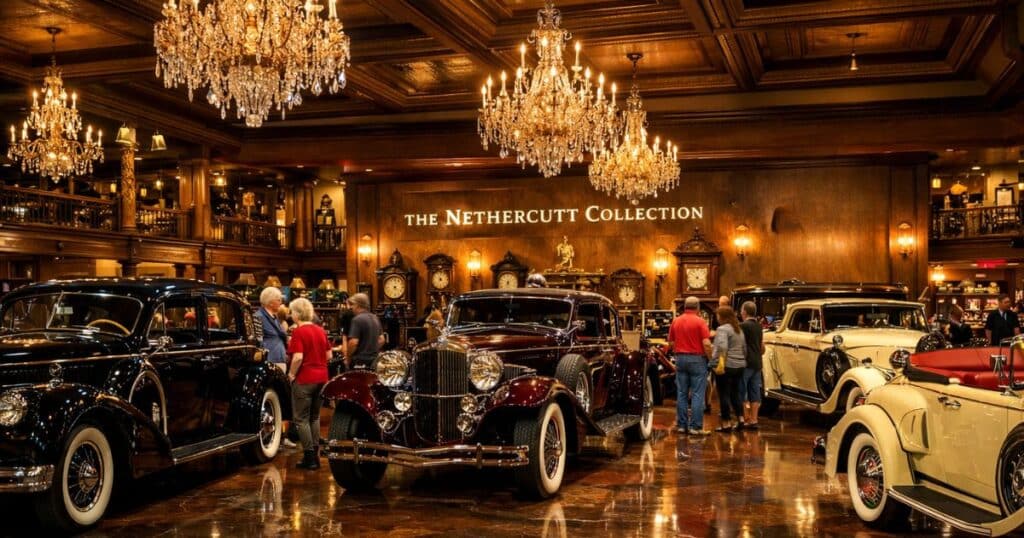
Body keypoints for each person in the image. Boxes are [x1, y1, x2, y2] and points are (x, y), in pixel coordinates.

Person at [286, 298, 330, 470]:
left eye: (292, 312)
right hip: (322, 378)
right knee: (315, 417)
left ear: (297, 313)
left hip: (305, 378)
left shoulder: (299, 332)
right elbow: (329, 356)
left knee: (301, 419)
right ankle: (316, 456)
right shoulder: (320, 330)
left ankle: (309, 457)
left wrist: (291, 374)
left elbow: (297, 357)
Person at [666, 296, 713, 435]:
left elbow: (671, 343)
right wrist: (710, 359)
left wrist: (679, 352)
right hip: (698, 360)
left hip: (680, 359)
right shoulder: (701, 322)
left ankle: (681, 426)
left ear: (685, 307)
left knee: (681, 394)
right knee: (697, 394)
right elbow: (706, 343)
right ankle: (695, 427)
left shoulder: (676, 321)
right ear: (698, 307)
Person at [257, 287, 297, 448]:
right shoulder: (259, 317)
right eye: (278, 300)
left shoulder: (274, 318)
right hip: (270, 361)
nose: (281, 302)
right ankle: (276, 435)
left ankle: (282, 435)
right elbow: (258, 341)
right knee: (275, 400)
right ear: (270, 302)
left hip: (280, 360)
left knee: (282, 400)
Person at [712, 306, 746, 432]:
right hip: (740, 365)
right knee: (736, 393)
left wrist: (713, 361)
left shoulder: (722, 329)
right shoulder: (739, 329)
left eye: (718, 316)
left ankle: (726, 423)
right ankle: (741, 418)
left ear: (722, 317)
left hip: (726, 366)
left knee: (724, 394)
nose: (717, 319)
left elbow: (722, 348)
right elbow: (744, 348)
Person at [738, 301, 765, 429]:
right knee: (755, 392)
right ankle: (754, 420)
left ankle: (745, 418)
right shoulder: (759, 327)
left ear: (744, 312)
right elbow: (762, 347)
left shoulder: (742, 326)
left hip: (745, 363)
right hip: (757, 363)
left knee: (742, 391)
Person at [346, 292, 385, 369]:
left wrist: (348, 357)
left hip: (359, 362)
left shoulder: (357, 319)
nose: (351, 308)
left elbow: (353, 342)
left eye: (352, 305)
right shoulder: (375, 318)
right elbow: (382, 339)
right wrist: (371, 349)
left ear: (358, 305)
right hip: (374, 361)